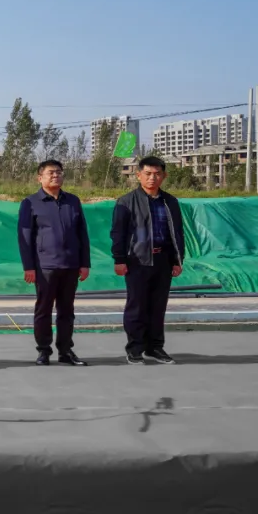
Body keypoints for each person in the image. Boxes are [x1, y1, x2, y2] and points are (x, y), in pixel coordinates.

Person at [110, 156, 184, 365]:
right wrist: (119, 259)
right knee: (137, 306)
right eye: (148, 174)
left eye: (157, 174)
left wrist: (177, 260)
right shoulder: (126, 201)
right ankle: (135, 348)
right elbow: (118, 233)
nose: (152, 178)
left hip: (163, 260)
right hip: (137, 261)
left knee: (158, 306)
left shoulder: (170, 202)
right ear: (138, 175)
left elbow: (177, 233)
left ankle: (155, 348)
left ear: (164, 176)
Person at [17, 160, 91, 367]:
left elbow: (82, 234)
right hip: (45, 266)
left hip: (70, 264)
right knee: (44, 310)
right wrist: (29, 266)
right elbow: (25, 237)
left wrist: (84, 263)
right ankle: (43, 350)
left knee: (67, 310)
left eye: (59, 172)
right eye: (51, 173)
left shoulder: (73, 201)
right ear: (39, 178)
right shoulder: (30, 203)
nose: (55, 176)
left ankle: (65, 350)